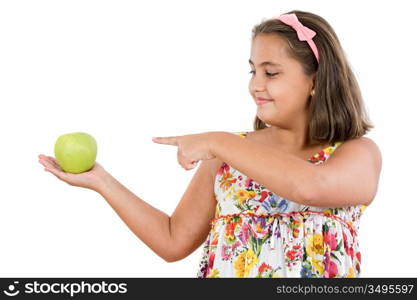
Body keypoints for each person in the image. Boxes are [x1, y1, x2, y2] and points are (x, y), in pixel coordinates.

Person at [38, 10, 382, 278]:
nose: (255, 86)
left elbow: (309, 186)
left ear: (315, 82)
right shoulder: (228, 156)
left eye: (271, 72)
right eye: (253, 72)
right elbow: (173, 241)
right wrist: (102, 181)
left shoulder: (356, 154)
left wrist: (218, 140)